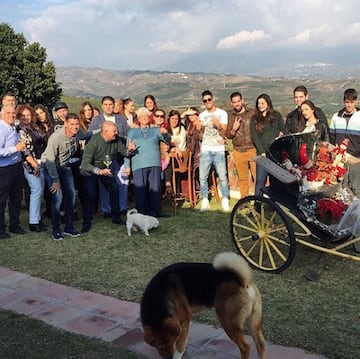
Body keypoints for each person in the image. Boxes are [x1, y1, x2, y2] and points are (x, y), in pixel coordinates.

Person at [80, 121, 135, 232]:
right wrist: (99, 171)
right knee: (91, 195)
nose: (116, 132)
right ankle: (87, 222)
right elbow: (85, 164)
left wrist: (130, 150)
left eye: (116, 130)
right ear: (105, 132)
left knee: (114, 189)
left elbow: (124, 152)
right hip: (91, 170)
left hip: (106, 169)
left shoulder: (116, 140)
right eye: (114, 131)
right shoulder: (93, 142)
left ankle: (116, 217)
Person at [124, 107, 171, 217]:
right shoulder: (132, 132)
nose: (144, 118)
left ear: (149, 118)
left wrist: (165, 133)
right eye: (142, 116)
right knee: (140, 190)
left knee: (155, 189)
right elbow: (127, 150)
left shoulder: (155, 130)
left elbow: (167, 140)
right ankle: (141, 213)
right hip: (138, 164)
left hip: (154, 163)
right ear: (138, 119)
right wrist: (127, 165)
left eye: (146, 116)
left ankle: (155, 212)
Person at [88, 96, 130, 218]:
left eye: (110, 104)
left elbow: (129, 133)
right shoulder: (97, 120)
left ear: (114, 105)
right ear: (102, 106)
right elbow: (91, 136)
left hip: (119, 156)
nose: (108, 107)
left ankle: (122, 207)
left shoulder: (121, 119)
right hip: (103, 158)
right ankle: (107, 209)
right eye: (106, 104)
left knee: (122, 182)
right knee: (105, 185)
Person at [42, 113, 81, 241]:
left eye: (76, 124)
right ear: (66, 124)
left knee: (72, 195)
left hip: (64, 166)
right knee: (57, 197)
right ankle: (56, 229)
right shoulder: (56, 138)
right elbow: (49, 161)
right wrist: (55, 180)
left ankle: (69, 227)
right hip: (50, 167)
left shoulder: (75, 135)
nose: (75, 127)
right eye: (72, 124)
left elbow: (88, 134)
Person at [16, 104, 47, 232]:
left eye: (28, 114)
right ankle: (33, 222)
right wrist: (34, 164)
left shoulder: (34, 128)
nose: (26, 117)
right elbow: (25, 151)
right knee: (36, 190)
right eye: (23, 115)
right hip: (30, 164)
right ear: (19, 116)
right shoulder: (20, 131)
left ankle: (38, 219)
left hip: (41, 162)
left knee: (40, 191)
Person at [198, 90, 230, 212]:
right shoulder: (201, 115)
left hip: (218, 150)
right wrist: (198, 130)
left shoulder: (222, 114)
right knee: (202, 177)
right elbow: (201, 136)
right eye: (205, 100)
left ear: (213, 100)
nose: (207, 102)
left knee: (222, 176)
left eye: (209, 99)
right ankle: (205, 199)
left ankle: (225, 198)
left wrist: (219, 125)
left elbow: (224, 132)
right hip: (205, 149)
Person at [0, 104, 27, 239]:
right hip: (4, 169)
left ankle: (14, 225)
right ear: (2, 114)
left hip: (17, 166)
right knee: (2, 200)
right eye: (8, 113)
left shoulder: (13, 127)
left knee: (16, 198)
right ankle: (0, 229)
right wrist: (15, 149)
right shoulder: (1, 129)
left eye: (13, 113)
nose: (11, 115)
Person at [250, 93, 285, 197]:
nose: (260, 105)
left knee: (275, 181)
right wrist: (262, 152)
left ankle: (274, 204)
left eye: (262, 103)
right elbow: (254, 136)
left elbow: (283, 130)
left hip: (275, 153)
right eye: (258, 103)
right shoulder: (255, 119)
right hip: (262, 155)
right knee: (260, 180)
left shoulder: (276, 115)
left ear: (268, 103)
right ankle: (257, 204)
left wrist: (280, 134)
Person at [330, 88, 360, 195]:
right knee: (340, 190)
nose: (349, 105)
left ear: (356, 101)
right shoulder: (336, 117)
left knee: (356, 190)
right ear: (344, 101)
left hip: (356, 161)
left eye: (352, 102)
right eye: (347, 102)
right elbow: (332, 139)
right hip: (339, 161)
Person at [226, 91, 256, 198]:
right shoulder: (230, 116)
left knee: (257, 177)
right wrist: (234, 128)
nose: (237, 104)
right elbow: (228, 136)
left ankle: (260, 200)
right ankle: (244, 201)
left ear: (242, 101)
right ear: (232, 103)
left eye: (238, 101)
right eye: (234, 102)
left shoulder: (252, 113)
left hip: (252, 149)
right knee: (243, 179)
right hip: (238, 150)